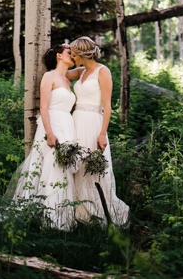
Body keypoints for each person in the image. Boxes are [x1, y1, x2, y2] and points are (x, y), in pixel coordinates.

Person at [0, 44, 79, 229]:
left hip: (67, 124)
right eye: (69, 52)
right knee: (52, 165)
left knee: (63, 168)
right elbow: (43, 107)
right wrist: (50, 134)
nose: (72, 55)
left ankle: (61, 214)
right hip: (52, 124)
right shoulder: (49, 76)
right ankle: (50, 219)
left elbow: (87, 67)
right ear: (59, 56)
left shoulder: (67, 80)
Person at [68, 36, 129, 226]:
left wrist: (102, 133)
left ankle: (101, 211)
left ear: (80, 54)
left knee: (93, 166)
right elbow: (61, 73)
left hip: (94, 122)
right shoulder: (81, 71)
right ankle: (79, 212)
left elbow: (108, 105)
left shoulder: (103, 72)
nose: (71, 56)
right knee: (76, 166)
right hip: (76, 122)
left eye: (72, 53)